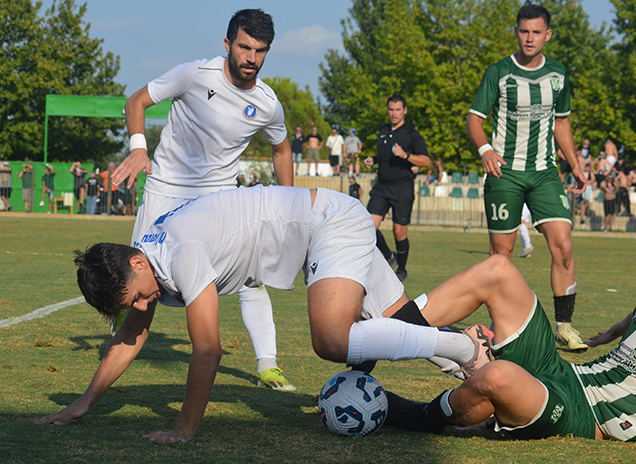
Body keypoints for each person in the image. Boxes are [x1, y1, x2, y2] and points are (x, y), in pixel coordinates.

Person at [34, 186, 492, 442]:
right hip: (327, 217)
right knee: (404, 322)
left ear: (136, 262)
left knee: (332, 340)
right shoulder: (147, 262)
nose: (140, 308)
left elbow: (208, 349)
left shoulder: (179, 255)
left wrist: (184, 429)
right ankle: (492, 373)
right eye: (129, 304)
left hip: (327, 224)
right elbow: (130, 337)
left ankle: (463, 346)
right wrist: (85, 401)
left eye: (134, 296)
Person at [383, 236, 636, 454]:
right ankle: (384, 336)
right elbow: (634, 318)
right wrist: (611, 333)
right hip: (564, 372)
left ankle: (421, 412)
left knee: (499, 377)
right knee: (498, 269)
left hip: (583, 417)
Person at [110, 9, 295, 392]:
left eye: (261, 51)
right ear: (228, 44)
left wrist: (288, 201)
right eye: (245, 47)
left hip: (218, 200)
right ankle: (108, 370)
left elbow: (282, 149)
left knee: (251, 278)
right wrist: (139, 149)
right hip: (164, 192)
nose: (252, 58)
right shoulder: (193, 74)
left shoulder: (266, 102)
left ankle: (268, 365)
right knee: (141, 290)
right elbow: (136, 102)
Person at [466, 4, 588, 351]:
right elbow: (474, 119)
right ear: (516, 32)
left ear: (547, 35)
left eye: (537, 32)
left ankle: (563, 326)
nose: (530, 38)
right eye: (524, 31)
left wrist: (575, 163)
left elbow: (561, 122)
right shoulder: (499, 72)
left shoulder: (558, 75)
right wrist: (486, 150)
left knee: (563, 245)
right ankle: (500, 327)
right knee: (500, 256)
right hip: (505, 173)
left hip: (545, 172)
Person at [364, 94, 431, 283]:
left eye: (398, 110)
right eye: (391, 110)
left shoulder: (411, 134)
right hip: (382, 187)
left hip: (402, 188)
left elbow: (426, 160)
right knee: (368, 225)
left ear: (405, 111)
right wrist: (374, 160)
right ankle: (388, 256)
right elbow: (383, 154)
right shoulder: (383, 130)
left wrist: (406, 155)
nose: (394, 113)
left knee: (399, 232)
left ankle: (402, 270)